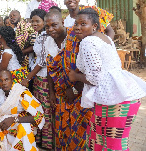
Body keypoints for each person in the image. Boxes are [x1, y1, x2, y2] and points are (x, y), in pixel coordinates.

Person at [68, 8, 146, 151]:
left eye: (83, 23)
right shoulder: (104, 38)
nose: (78, 27)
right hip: (121, 96)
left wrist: (75, 76)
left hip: (115, 100)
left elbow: (95, 78)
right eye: (76, 24)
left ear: (94, 26)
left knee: (112, 146)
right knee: (98, 142)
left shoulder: (88, 42)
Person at [44, 9, 113, 150]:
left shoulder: (77, 36)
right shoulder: (48, 43)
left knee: (82, 133)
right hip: (62, 93)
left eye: (54, 25)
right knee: (62, 130)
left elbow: (91, 72)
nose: (51, 29)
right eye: (47, 26)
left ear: (63, 23)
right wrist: (52, 92)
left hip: (82, 94)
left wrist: (75, 89)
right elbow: (50, 69)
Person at [0, 70, 45, 151]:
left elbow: (38, 116)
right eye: (0, 81)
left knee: (24, 127)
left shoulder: (21, 92)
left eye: (6, 79)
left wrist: (14, 119)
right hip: (3, 123)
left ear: (12, 80)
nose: (3, 83)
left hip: (20, 122)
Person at [21, 9, 53, 149]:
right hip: (38, 77)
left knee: (45, 110)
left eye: (37, 21)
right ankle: (39, 138)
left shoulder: (47, 36)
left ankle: (47, 141)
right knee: (39, 108)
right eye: (32, 21)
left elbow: (43, 61)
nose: (34, 23)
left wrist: (28, 77)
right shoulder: (39, 35)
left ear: (44, 21)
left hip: (46, 78)